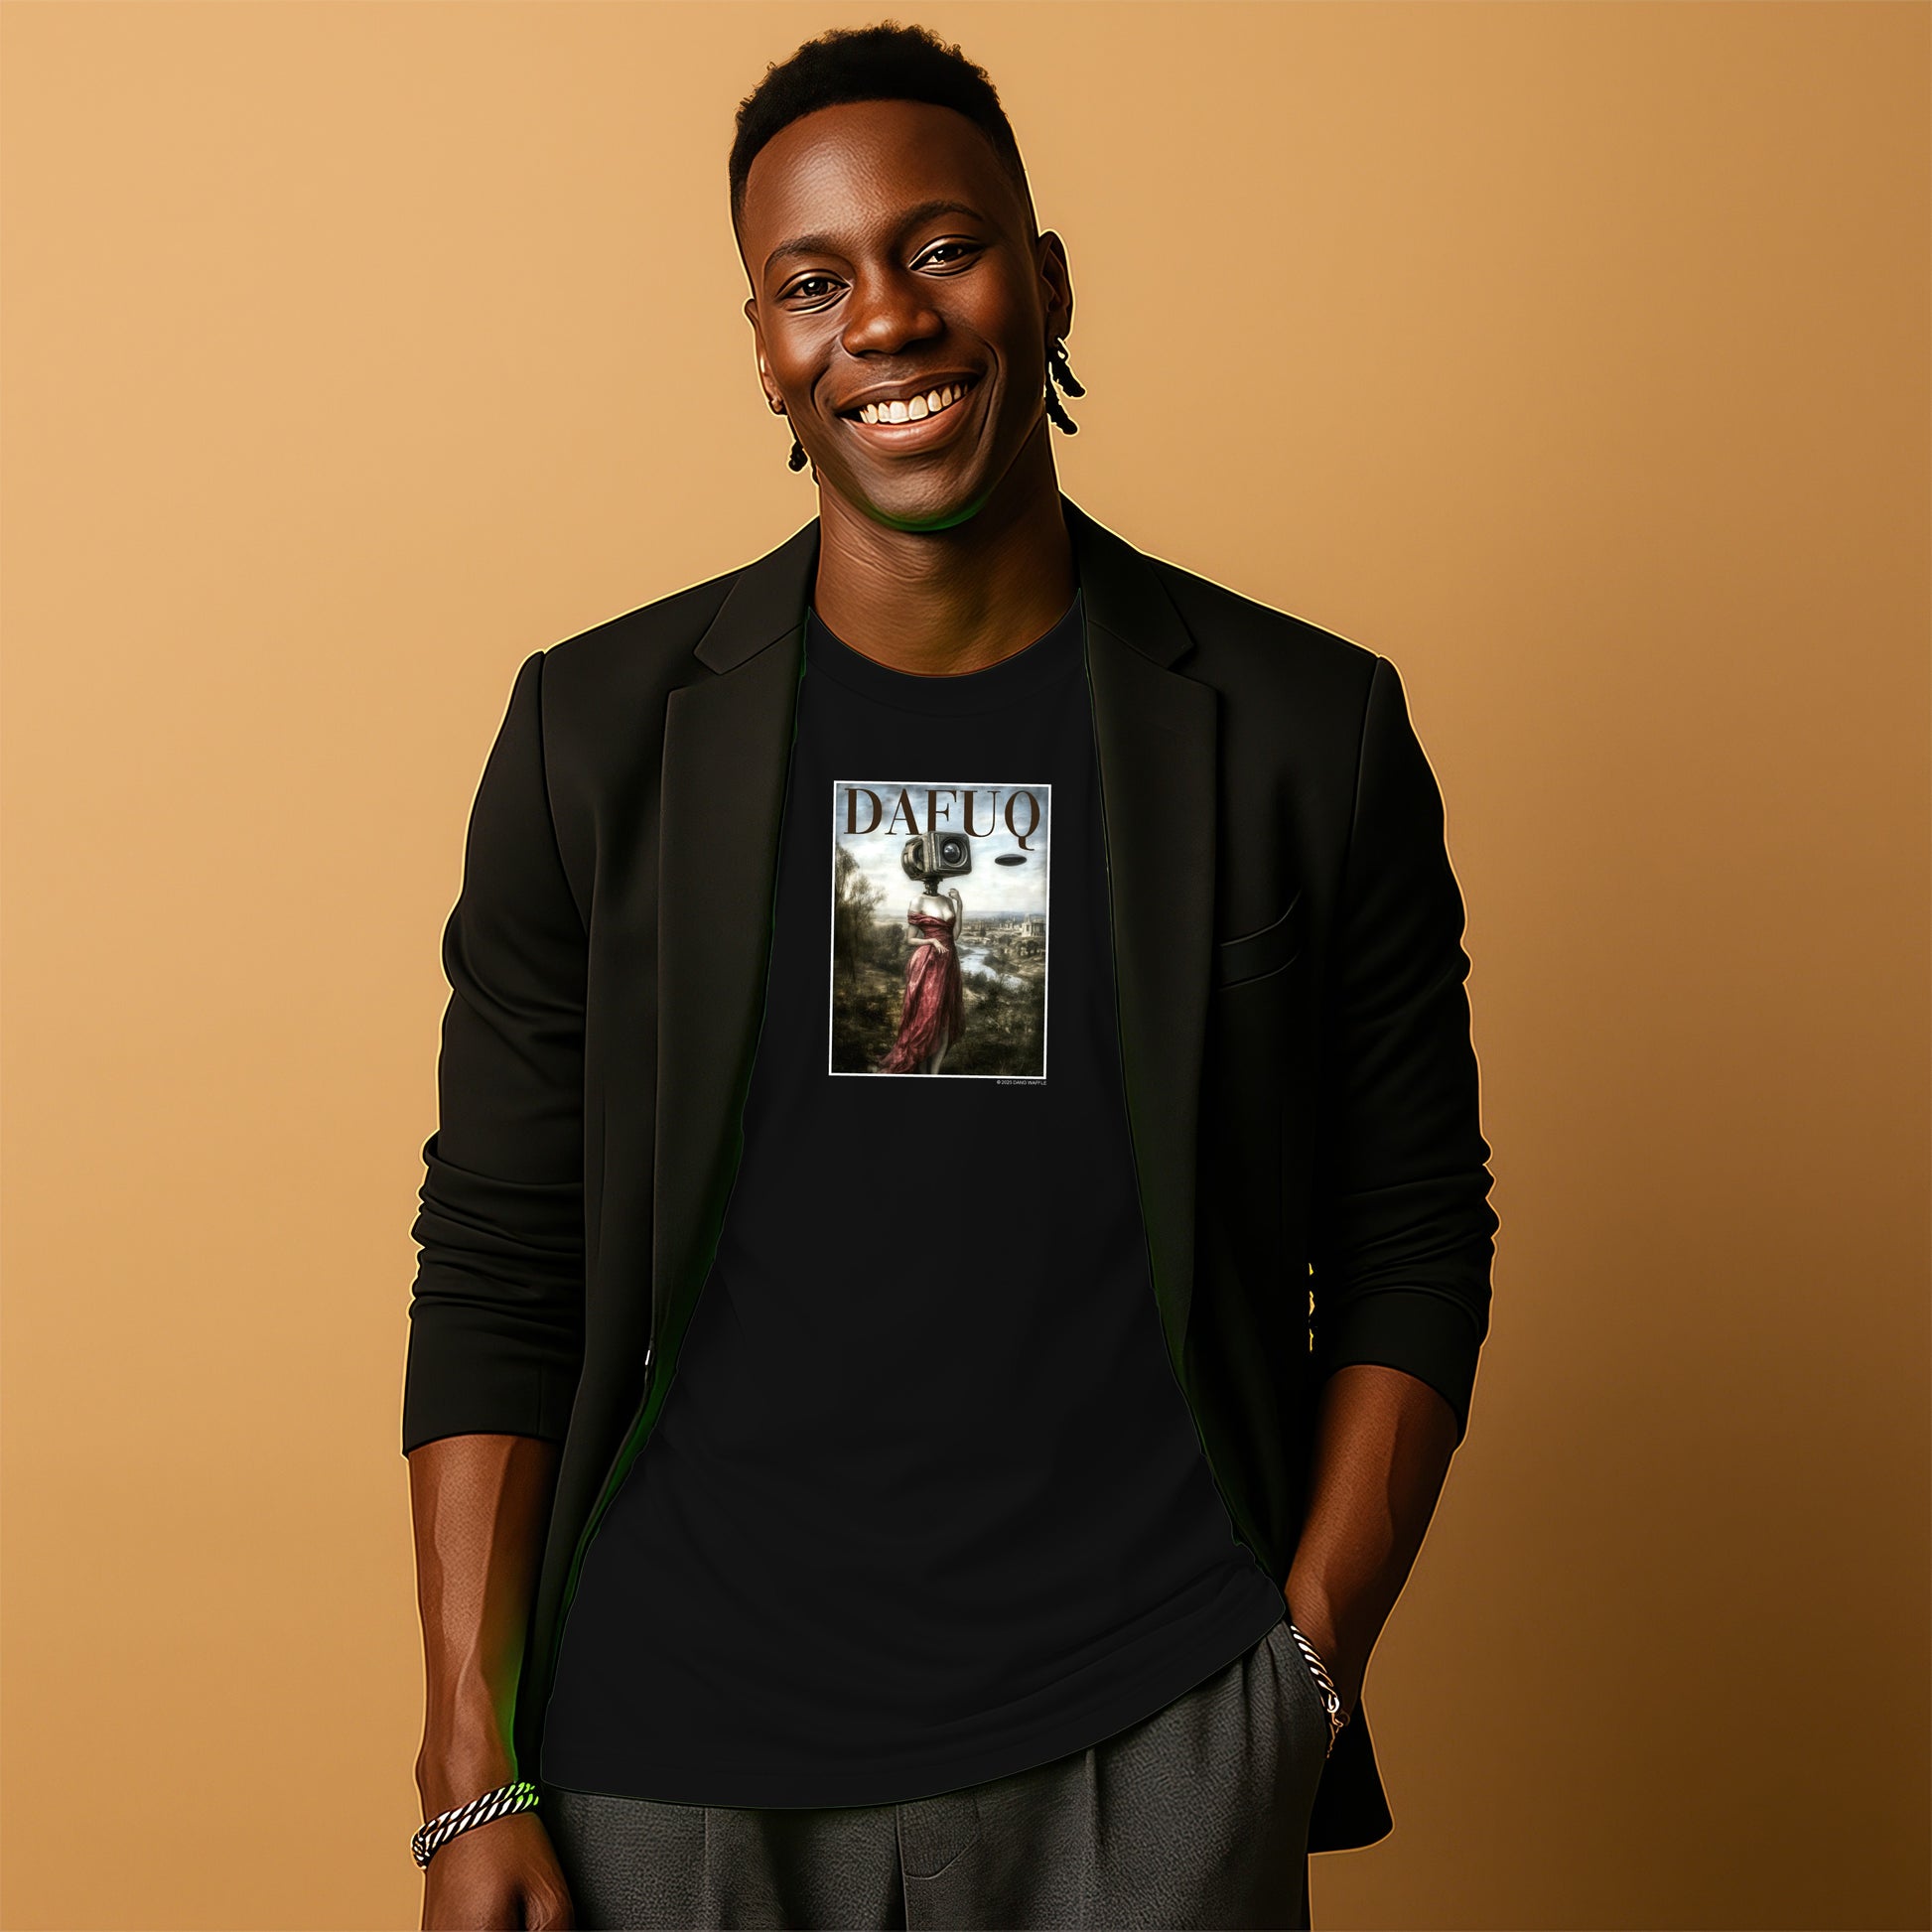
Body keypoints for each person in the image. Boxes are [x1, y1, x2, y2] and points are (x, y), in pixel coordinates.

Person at [402, 20, 1499, 1931]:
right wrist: (459, 1761)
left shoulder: (1300, 733)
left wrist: (1299, 1672)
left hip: (1148, 1744)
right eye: (812, 281)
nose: (884, 319)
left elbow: (1409, 1231)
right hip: (663, 1765)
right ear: (764, 349)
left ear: (1045, 279)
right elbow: (500, 1257)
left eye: (940, 247)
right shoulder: (597, 739)